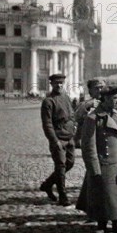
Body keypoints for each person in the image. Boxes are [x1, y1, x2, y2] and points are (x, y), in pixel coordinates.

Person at [81, 86, 117, 233]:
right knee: (102, 194)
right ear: (105, 99)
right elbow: (88, 146)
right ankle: (101, 223)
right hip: (104, 162)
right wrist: (94, 168)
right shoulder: (93, 118)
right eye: (114, 99)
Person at [39, 73, 76, 206]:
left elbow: (72, 115)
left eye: (61, 83)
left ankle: (47, 184)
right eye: (56, 83)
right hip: (58, 138)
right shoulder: (48, 101)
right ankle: (63, 196)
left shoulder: (66, 97)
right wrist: (55, 141)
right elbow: (47, 124)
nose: (59, 85)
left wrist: (74, 128)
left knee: (70, 163)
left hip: (69, 137)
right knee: (60, 166)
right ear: (52, 84)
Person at [74, 78, 105, 148]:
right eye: (96, 88)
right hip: (87, 142)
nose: (100, 90)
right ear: (90, 90)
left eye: (102, 88)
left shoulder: (110, 103)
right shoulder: (84, 104)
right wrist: (88, 105)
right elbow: (75, 117)